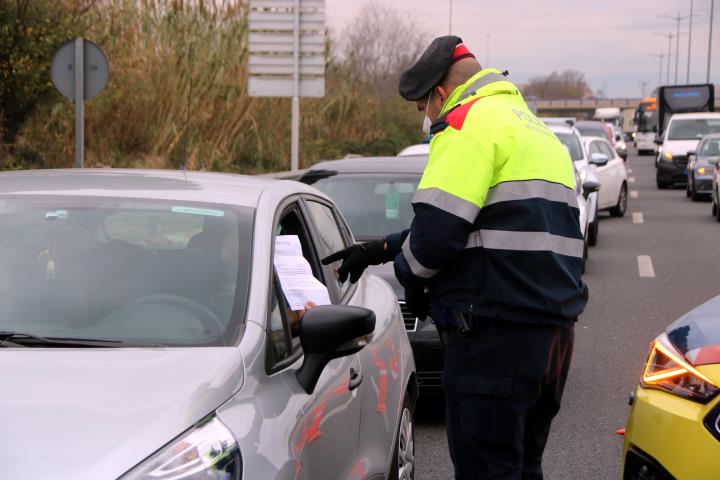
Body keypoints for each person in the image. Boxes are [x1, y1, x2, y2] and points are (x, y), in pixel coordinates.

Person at [322, 36, 588, 480]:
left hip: (495, 336)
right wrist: (383, 248)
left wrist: (412, 278)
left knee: (485, 469)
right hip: (553, 336)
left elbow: (434, 242)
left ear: (440, 95)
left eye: (423, 106)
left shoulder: (467, 124)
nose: (425, 118)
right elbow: (489, 225)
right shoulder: (535, 131)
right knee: (522, 467)